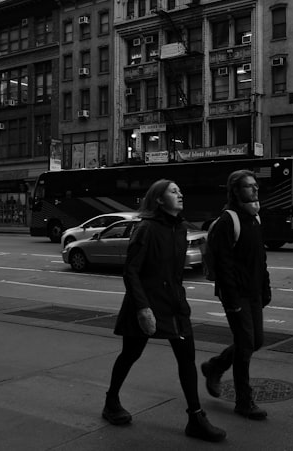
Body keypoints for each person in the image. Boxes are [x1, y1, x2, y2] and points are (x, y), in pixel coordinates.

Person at [103, 179, 226, 443]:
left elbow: (177, 272)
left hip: (175, 305)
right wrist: (143, 308)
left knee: (186, 360)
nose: (180, 194)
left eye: (180, 190)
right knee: (130, 354)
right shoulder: (146, 228)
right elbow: (131, 271)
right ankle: (111, 401)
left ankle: (195, 417)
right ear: (159, 199)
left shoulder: (181, 229)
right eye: (173, 191)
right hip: (146, 305)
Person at [201, 169, 272, 421]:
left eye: (255, 185)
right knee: (244, 346)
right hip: (236, 295)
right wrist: (231, 301)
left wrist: (265, 288)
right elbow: (223, 266)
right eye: (248, 186)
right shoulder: (227, 221)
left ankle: (214, 366)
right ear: (235, 191)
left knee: (256, 341)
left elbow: (259, 260)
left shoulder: (254, 218)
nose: (254, 189)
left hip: (253, 293)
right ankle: (244, 401)